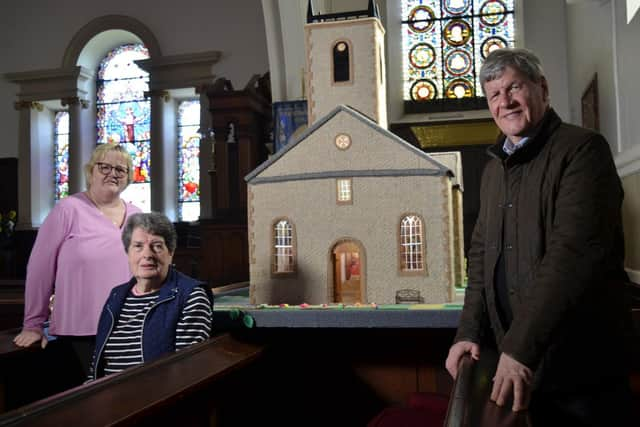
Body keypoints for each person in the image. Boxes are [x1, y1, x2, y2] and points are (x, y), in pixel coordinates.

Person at [445, 48, 632, 426]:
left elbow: (573, 256)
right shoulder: (495, 168)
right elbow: (481, 255)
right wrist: (468, 331)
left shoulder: (582, 150)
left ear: (542, 88)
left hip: (580, 365)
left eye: (514, 87)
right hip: (522, 362)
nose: (505, 102)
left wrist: (518, 349)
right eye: (494, 94)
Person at [14, 143, 142, 381]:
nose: (112, 173)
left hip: (128, 329)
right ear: (90, 171)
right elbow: (39, 270)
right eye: (104, 167)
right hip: (81, 330)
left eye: (120, 169)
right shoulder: (68, 210)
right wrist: (33, 324)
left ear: (129, 177)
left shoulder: (137, 215)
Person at [88, 212, 213, 380]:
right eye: (138, 246)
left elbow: (186, 372)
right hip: (108, 396)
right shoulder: (116, 296)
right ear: (128, 253)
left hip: (156, 400)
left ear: (171, 253)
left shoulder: (191, 296)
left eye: (157, 246)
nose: (147, 254)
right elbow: (96, 365)